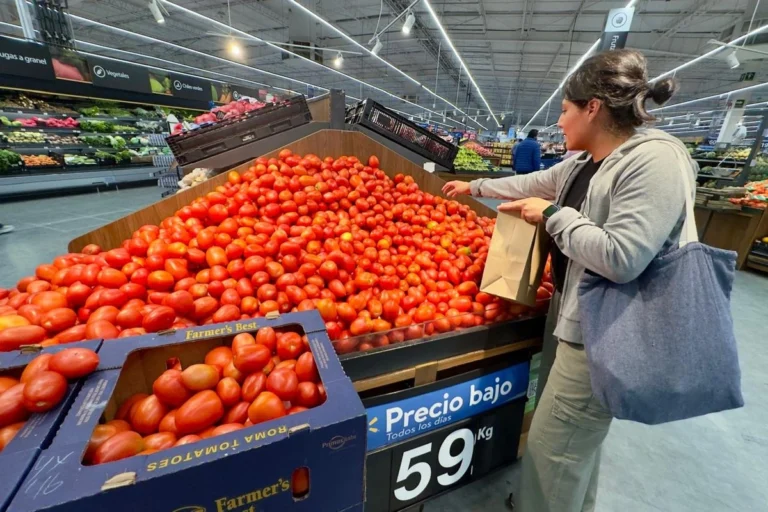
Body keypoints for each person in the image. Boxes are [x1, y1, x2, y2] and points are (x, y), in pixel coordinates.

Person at [442, 49, 695, 512]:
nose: (558, 122)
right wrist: (474, 187)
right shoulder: (585, 161)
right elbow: (536, 182)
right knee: (577, 443)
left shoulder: (654, 163)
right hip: (574, 311)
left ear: (593, 108)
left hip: (609, 330)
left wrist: (556, 217)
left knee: (553, 450)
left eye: (564, 110)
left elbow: (623, 258)